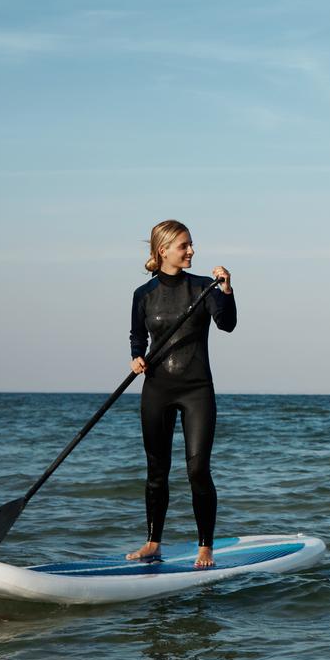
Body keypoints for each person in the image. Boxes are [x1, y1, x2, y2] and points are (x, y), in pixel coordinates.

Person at [125, 219, 237, 568]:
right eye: (184, 245)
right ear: (163, 251)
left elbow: (227, 324)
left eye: (191, 244)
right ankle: (153, 544)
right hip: (157, 388)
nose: (191, 250)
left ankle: (206, 546)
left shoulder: (204, 287)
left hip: (196, 389)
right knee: (156, 471)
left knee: (198, 470)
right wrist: (136, 356)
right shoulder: (143, 294)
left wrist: (227, 290)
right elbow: (137, 336)